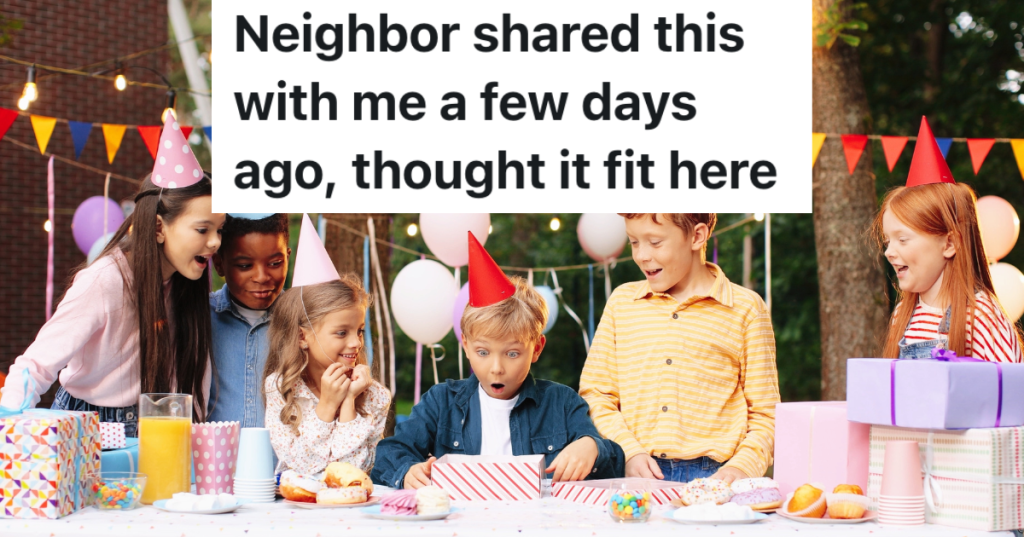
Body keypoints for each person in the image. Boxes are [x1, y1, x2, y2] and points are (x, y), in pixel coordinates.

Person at [0, 116, 223, 434]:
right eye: (203, 229)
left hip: (151, 427)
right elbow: (36, 364)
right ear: (159, 228)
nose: (215, 242)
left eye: (219, 230)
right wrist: (10, 432)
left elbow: (192, 380)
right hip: (85, 425)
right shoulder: (104, 281)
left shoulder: (186, 289)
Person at [372, 232, 625, 489]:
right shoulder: (441, 403)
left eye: (512, 353)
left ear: (536, 349)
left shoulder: (562, 403)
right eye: (483, 352)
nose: (496, 369)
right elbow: (389, 454)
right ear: (466, 346)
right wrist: (407, 471)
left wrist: (592, 447)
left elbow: (615, 462)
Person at [579, 213, 779, 484]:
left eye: (655, 242)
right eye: (634, 242)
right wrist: (629, 451)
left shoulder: (746, 309)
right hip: (635, 475)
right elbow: (596, 394)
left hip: (716, 478)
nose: (641, 256)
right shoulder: (621, 304)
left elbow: (766, 414)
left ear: (697, 236)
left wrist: (741, 469)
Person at [875, 117, 1023, 363]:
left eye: (902, 239)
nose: (889, 251)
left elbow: (1009, 386)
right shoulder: (903, 315)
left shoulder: (981, 317)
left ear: (949, 244)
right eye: (887, 240)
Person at [263, 214, 390, 475]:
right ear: (302, 337)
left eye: (359, 331)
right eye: (341, 332)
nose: (356, 343)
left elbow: (353, 473)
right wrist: (327, 407)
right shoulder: (282, 389)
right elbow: (299, 467)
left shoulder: (374, 396)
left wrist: (349, 402)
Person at [208, 213, 291, 426]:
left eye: (275, 263)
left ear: (287, 258)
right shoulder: (202, 318)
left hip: (282, 450)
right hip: (212, 447)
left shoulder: (300, 321)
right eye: (245, 266)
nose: (262, 277)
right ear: (219, 264)